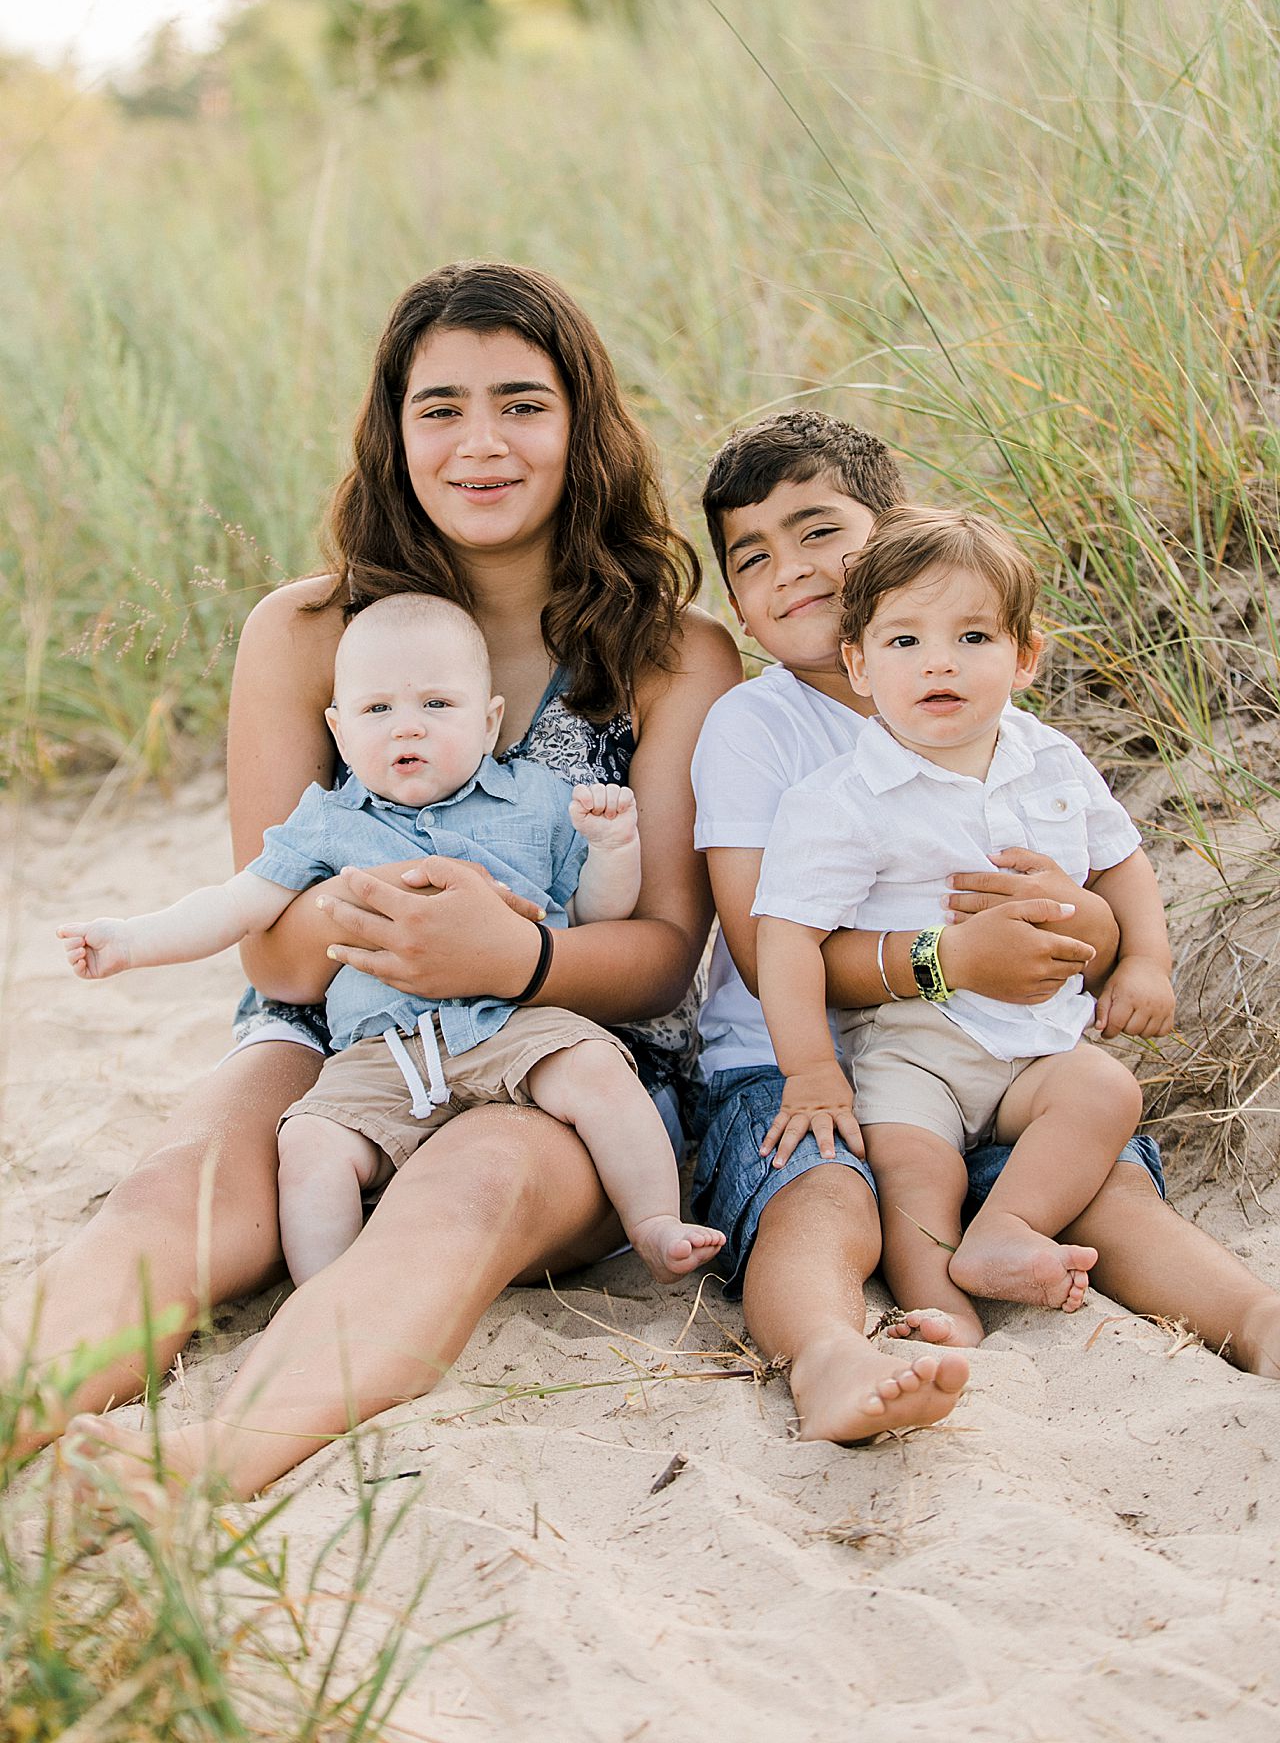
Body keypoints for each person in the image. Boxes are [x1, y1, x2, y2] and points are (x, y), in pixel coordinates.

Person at [4, 259, 747, 1500]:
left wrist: (516, 960)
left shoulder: (671, 653)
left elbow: (669, 948)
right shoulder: (304, 634)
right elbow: (273, 955)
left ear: (582, 425)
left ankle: (222, 1455)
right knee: (180, 1190)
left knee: (472, 1181)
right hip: (330, 1036)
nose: (480, 443)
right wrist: (345, 919)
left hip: (570, 1051)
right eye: (438, 407)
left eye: (522, 402)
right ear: (393, 432)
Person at [690, 410, 1280, 1447]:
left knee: (1101, 1192)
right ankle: (837, 1356)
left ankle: (1248, 1316)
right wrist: (949, 960)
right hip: (806, 1064)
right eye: (753, 556)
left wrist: (1104, 938)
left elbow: (1092, 883)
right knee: (827, 1200)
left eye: (818, 530)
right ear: (737, 603)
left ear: (894, 531)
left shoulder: (1003, 722)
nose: (792, 568)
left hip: (1011, 1048)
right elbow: (763, 943)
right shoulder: (761, 726)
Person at [59, 592, 725, 1288]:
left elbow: (592, 913)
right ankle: (328, 1291)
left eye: (438, 705)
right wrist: (131, 941)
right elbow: (235, 906)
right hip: (382, 1050)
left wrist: (612, 847)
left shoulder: (535, 799)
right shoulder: (325, 824)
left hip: (514, 1025)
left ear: (489, 718)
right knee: (309, 1142)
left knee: (595, 1069)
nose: (409, 728)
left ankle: (654, 1221)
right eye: (378, 710)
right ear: (339, 732)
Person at [753, 505, 1172, 1343]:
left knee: (1104, 1091)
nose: (938, 662)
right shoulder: (840, 800)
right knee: (913, 1171)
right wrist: (809, 1072)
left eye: (973, 638)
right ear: (859, 665)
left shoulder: (1050, 757)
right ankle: (942, 1312)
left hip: (1038, 1044)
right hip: (914, 1045)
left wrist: (1146, 963)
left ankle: (1005, 1230)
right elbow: (788, 936)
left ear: (1024, 657)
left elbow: (1121, 859)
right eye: (904, 641)